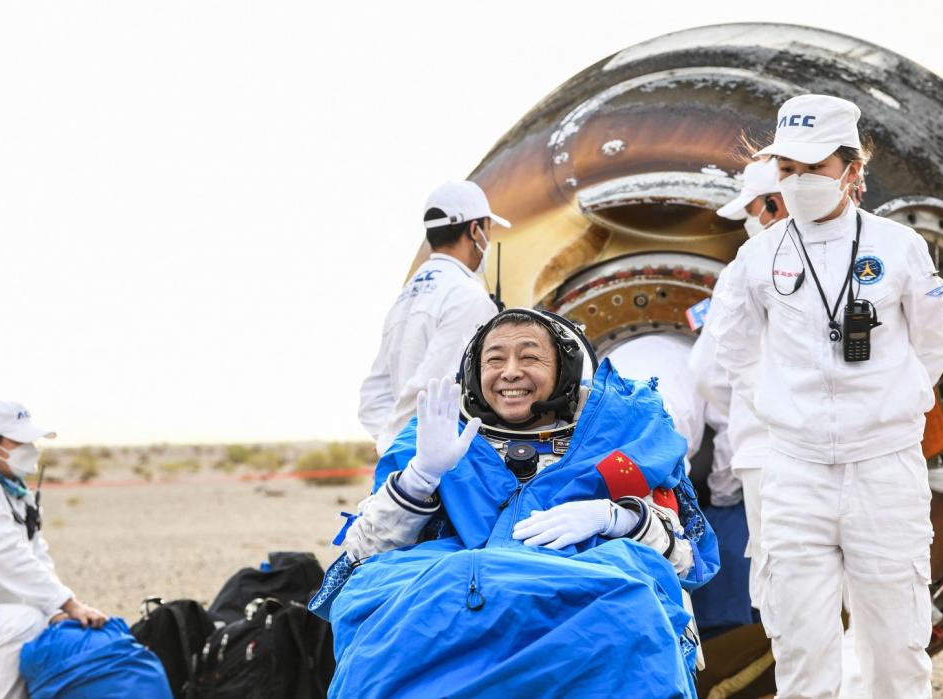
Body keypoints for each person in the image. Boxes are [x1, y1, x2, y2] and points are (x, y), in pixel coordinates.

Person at [314, 309, 720, 698]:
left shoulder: (624, 438)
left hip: (580, 624)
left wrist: (616, 518)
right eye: (494, 359)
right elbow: (364, 552)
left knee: (635, 605)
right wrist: (421, 476)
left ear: (567, 368)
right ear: (475, 372)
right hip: (452, 622)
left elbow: (680, 559)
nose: (510, 371)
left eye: (530, 357)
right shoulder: (437, 439)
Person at [707, 95, 943, 698]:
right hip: (795, 472)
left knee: (897, 650)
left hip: (884, 469)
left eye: (813, 167)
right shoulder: (756, 256)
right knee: (800, 653)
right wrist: (780, 410)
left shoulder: (900, 247)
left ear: (852, 169)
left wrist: (891, 410)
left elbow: (932, 345)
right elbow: (735, 351)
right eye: (787, 170)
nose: (798, 182)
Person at [691, 157, 784, 632]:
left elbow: (708, 374)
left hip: (768, 457)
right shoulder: (855, 254)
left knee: (787, 594)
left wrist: (754, 413)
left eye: (751, 211)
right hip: (853, 454)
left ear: (772, 205)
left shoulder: (744, 270)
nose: (749, 224)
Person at [358, 180, 504, 455]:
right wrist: (407, 454)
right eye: (488, 228)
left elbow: (372, 398)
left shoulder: (406, 296)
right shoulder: (467, 296)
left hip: (410, 459)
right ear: (475, 230)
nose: (489, 239)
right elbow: (432, 386)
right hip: (443, 463)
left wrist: (392, 448)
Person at [0, 402, 108, 699]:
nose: (29, 448)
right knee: (25, 622)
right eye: (18, 441)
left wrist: (57, 609)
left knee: (40, 619)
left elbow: (36, 554)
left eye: (29, 440)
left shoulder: (16, 492)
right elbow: (9, 557)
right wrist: (69, 605)